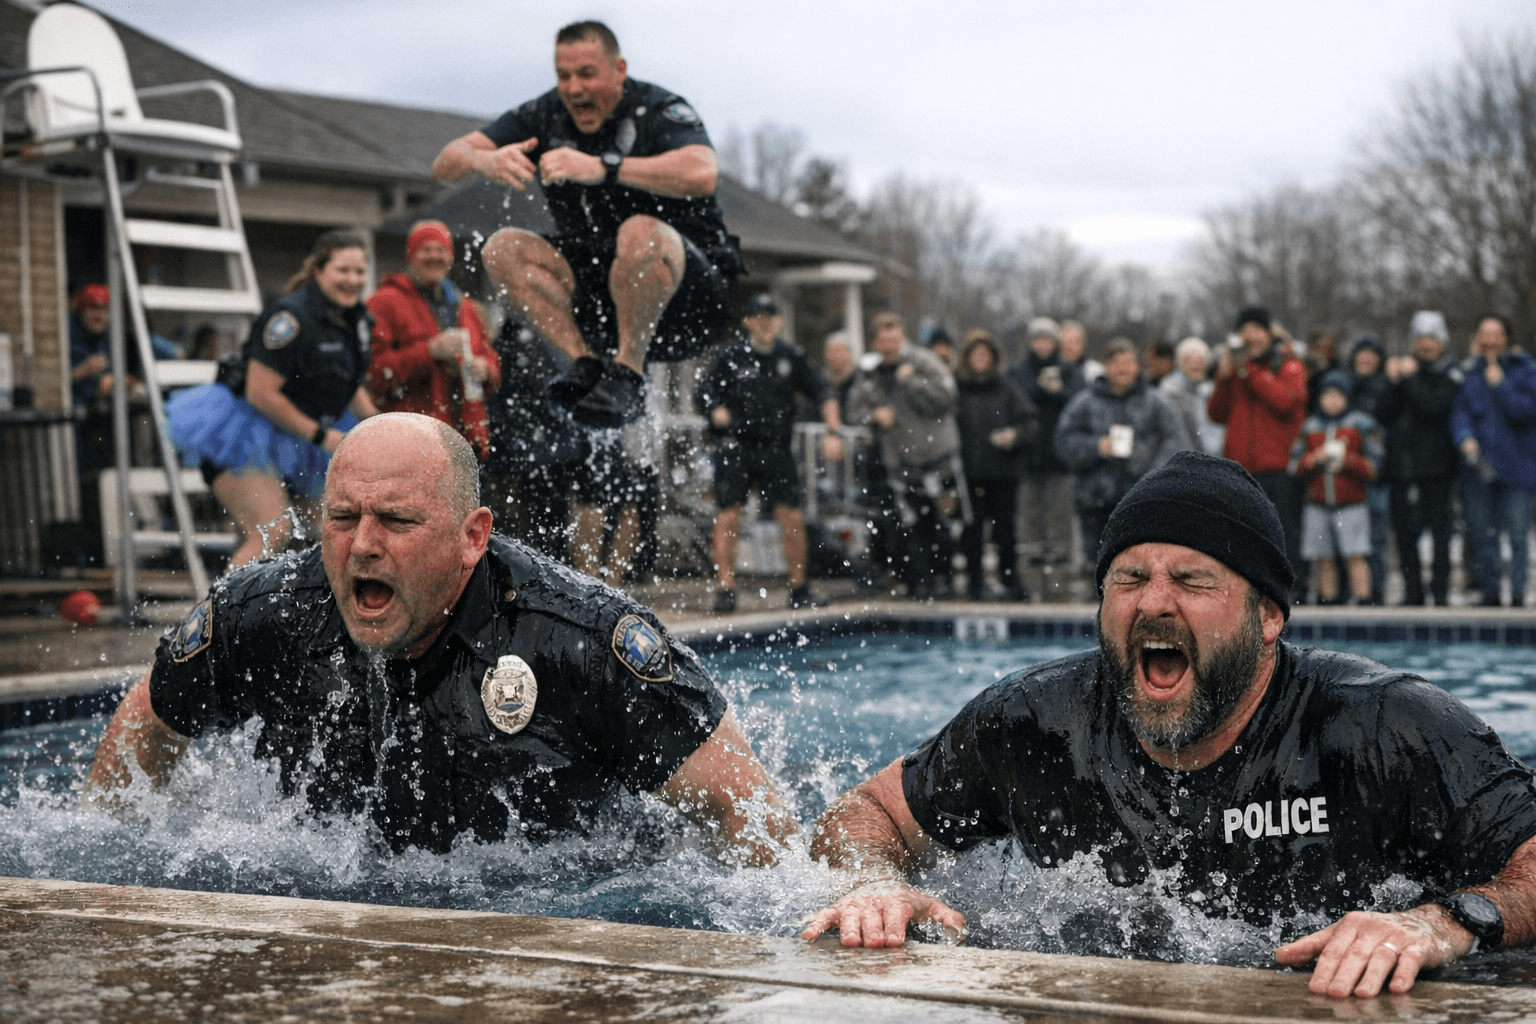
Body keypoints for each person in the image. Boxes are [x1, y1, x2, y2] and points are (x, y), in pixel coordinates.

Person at [801, 450, 1536, 999]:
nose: (1153, 603)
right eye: (1129, 578)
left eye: (1191, 580)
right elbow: (868, 812)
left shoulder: (1378, 725)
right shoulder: (1035, 721)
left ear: (1269, 616)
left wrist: (1444, 922)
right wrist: (873, 885)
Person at [87, 412, 794, 863]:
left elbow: (746, 809)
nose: (361, 545)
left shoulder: (576, 637)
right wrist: (117, 860)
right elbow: (149, 717)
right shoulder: (266, 612)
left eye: (395, 520)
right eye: (341, 517)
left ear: (472, 537)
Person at [431, 21, 744, 428]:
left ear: (619, 70)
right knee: (501, 248)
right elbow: (443, 164)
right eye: (564, 76)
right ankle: (586, 365)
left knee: (638, 231)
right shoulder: (544, 114)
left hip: (693, 300)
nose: (574, 89)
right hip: (605, 300)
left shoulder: (657, 108)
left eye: (587, 74)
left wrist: (603, 167)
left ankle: (627, 374)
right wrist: (482, 160)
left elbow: (702, 171)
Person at [167, 229, 379, 567]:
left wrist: (380, 425)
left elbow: (343, 382)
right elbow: (259, 392)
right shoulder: (290, 318)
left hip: (300, 436)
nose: (353, 279)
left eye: (359, 271)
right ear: (318, 271)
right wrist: (322, 436)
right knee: (272, 533)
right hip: (242, 432)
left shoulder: (354, 318)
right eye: (343, 270)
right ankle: (218, 616)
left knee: (342, 532)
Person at [697, 294, 844, 612]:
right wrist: (714, 409)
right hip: (736, 446)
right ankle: (725, 588)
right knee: (728, 514)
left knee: (790, 515)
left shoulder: (792, 356)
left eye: (770, 316)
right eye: (758, 317)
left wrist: (833, 432)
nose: (764, 322)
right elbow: (704, 390)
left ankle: (799, 587)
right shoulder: (731, 355)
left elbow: (823, 391)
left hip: (776, 447)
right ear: (748, 322)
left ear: (778, 321)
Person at [847, 312, 963, 601]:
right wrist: (874, 416)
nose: (889, 346)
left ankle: (944, 582)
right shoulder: (869, 371)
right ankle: (919, 584)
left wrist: (911, 383)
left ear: (904, 337)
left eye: (894, 339)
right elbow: (854, 411)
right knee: (910, 526)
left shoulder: (924, 362)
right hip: (900, 462)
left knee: (943, 523)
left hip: (938, 458)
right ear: (875, 342)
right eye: (883, 341)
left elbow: (946, 399)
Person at [367, 221, 501, 459]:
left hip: (466, 440)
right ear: (410, 256)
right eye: (425, 249)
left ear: (450, 257)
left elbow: (489, 356)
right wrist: (427, 352)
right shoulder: (385, 302)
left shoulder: (464, 306)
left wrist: (486, 369)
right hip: (411, 442)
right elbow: (373, 374)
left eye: (441, 250)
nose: (434, 256)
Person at [1055, 338, 1190, 564]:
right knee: (1100, 568)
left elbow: (1176, 440)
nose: (1123, 368)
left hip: (1144, 498)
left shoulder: (1156, 402)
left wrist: (1155, 473)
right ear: (1106, 366)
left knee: (1140, 565)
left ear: (1138, 366)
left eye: (1128, 362)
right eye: (1116, 362)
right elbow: (1063, 440)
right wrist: (1095, 447)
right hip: (1094, 498)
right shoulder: (1084, 402)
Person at [1207, 305, 1308, 605]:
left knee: (1285, 535)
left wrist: (1248, 371)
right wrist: (1225, 379)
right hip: (1241, 469)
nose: (1250, 336)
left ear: (1268, 333)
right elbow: (1216, 413)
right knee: (1244, 536)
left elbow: (1285, 402)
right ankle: (1249, 597)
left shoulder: (1288, 364)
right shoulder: (1236, 370)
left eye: (1256, 329)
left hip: (1280, 468)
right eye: (1244, 330)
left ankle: (1292, 594)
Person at [1451, 315, 1536, 608]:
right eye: (1484, 334)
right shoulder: (1468, 372)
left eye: (1495, 334)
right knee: (1482, 535)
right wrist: (1464, 437)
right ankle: (1490, 593)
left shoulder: (1525, 369)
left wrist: (1500, 385)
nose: (1489, 340)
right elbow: (1459, 413)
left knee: (1517, 535)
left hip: (1517, 469)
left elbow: (1526, 411)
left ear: (1506, 338)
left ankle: (1517, 594)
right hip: (1479, 470)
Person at [481, 320, 582, 560]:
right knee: (538, 521)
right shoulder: (522, 338)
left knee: (545, 520)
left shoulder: (536, 337)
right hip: (532, 448)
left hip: (541, 449)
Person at [1383, 312, 1463, 606]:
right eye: (1420, 340)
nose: (1425, 345)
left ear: (1442, 343)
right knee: (1405, 535)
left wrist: (1407, 378)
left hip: (1438, 470)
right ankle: (1412, 592)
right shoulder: (1405, 375)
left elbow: (1433, 407)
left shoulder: (1451, 373)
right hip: (1403, 470)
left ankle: (1439, 592)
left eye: (1431, 339)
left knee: (1440, 535)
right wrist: (1392, 381)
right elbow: (1384, 413)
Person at [954, 330, 1036, 602]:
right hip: (968, 473)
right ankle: (975, 582)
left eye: (985, 354)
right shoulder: (956, 389)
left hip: (1003, 472)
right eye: (975, 354)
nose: (981, 359)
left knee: (1005, 531)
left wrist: (1015, 436)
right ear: (967, 358)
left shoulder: (1007, 387)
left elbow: (1030, 423)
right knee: (972, 531)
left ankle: (1010, 579)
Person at [1288, 371, 1383, 605]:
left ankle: (1364, 600)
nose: (1332, 401)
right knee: (1322, 557)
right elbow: (1294, 466)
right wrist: (1313, 460)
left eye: (1337, 396)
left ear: (1347, 398)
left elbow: (1375, 467)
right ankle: (1327, 600)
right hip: (1317, 504)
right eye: (1327, 396)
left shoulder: (1362, 424)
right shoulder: (1310, 426)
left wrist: (1348, 461)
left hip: (1352, 503)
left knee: (1355, 555)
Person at [1007, 317, 1083, 567]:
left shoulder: (1069, 370)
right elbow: (1014, 406)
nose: (1043, 344)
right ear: (1031, 342)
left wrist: (1058, 391)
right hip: (1026, 455)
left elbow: (1079, 405)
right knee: (1030, 515)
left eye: (1048, 339)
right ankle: (1031, 561)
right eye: (1038, 339)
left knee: (1060, 514)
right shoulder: (1017, 371)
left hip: (1059, 455)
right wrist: (1040, 391)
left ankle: (1061, 564)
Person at [1345, 335, 1393, 604]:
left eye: (1371, 354)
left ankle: (1377, 591)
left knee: (1375, 537)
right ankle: (1349, 592)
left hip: (1377, 475)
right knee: (1348, 537)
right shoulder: (1343, 387)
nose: (1366, 359)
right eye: (1361, 353)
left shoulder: (1387, 386)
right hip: (1346, 476)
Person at [1159, 336, 1221, 456]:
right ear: (1180, 363)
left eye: (1200, 360)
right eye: (1189, 360)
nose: (1195, 364)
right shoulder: (1169, 393)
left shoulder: (1211, 392)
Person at [1059, 319, 1102, 383]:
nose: (1069, 347)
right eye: (1064, 342)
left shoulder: (1095, 372)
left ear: (1083, 345)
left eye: (1074, 342)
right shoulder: (1048, 372)